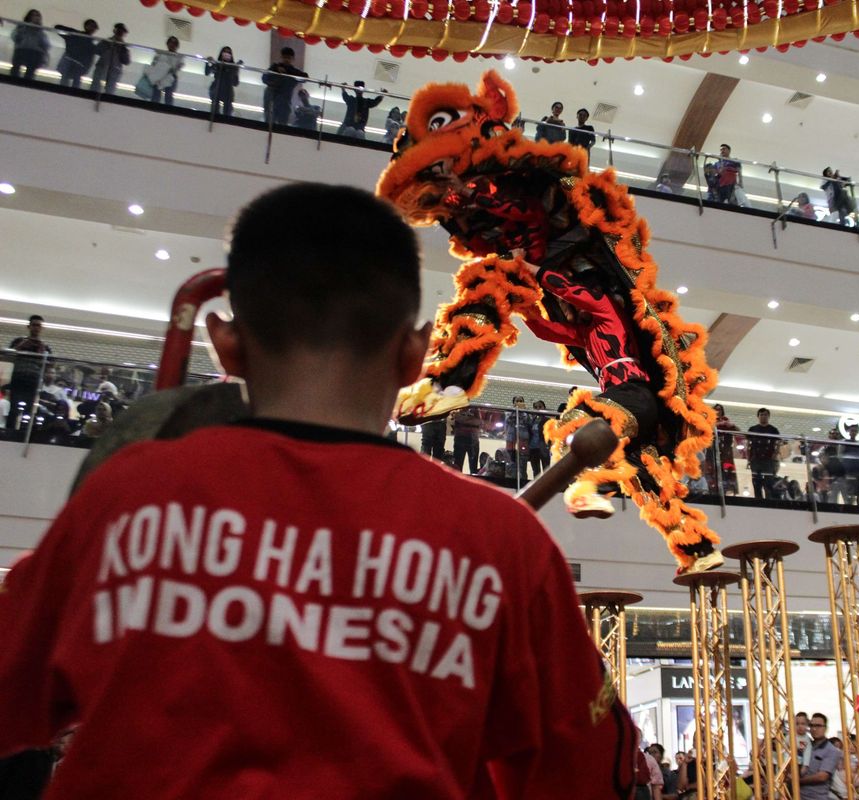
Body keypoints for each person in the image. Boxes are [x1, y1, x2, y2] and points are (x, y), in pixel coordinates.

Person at [0, 182, 638, 797]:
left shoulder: (124, 503)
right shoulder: (503, 542)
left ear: (224, 344)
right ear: (416, 355)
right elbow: (584, 773)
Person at [5, 314, 52, 431]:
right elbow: (9, 356)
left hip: (34, 380)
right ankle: (9, 432)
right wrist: (22, 346)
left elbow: (50, 366)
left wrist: (42, 354)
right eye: (34, 325)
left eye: (39, 326)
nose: (36, 328)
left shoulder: (45, 347)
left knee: (29, 409)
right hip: (18, 378)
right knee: (14, 407)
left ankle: (23, 433)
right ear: (29, 327)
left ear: (42, 328)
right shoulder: (18, 341)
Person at [799, 713, 841, 800]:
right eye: (812, 725)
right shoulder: (806, 745)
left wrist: (798, 781)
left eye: (818, 726)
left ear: (825, 728)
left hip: (816, 797)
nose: (814, 729)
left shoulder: (831, 750)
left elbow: (822, 776)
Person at [262, 47, 307, 127]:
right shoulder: (274, 67)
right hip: (271, 100)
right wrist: (276, 71)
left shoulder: (294, 72)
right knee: (268, 124)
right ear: (281, 57)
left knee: (282, 126)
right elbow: (264, 78)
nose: (286, 60)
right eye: (284, 57)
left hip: (284, 104)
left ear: (293, 59)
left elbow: (305, 78)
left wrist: (288, 72)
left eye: (288, 58)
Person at [54, 18, 100, 89]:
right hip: (72, 62)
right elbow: (57, 28)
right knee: (69, 78)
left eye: (94, 27)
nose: (93, 29)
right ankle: (65, 90)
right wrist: (73, 32)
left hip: (77, 64)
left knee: (73, 78)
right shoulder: (78, 36)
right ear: (86, 26)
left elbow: (91, 57)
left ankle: (67, 90)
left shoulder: (89, 42)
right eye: (92, 26)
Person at [747, 407, 781, 501]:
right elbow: (748, 444)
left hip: (768, 460)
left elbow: (778, 443)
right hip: (756, 459)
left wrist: (775, 455)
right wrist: (748, 458)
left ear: (768, 416)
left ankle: (769, 502)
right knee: (756, 482)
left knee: (768, 482)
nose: (763, 416)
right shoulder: (752, 429)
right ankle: (758, 501)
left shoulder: (773, 430)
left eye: (765, 414)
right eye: (761, 414)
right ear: (758, 416)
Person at [90, 22, 130, 96]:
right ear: (115, 31)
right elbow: (97, 50)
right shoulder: (107, 41)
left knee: (109, 92)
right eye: (119, 31)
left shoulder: (123, 47)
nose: (120, 33)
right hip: (103, 67)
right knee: (95, 88)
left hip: (114, 70)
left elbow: (126, 61)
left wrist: (122, 48)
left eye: (122, 32)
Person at [142, 36, 184, 106]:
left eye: (174, 44)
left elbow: (179, 66)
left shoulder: (179, 56)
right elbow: (154, 63)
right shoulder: (161, 53)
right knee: (156, 93)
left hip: (171, 77)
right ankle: (153, 108)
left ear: (177, 46)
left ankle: (168, 110)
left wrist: (172, 70)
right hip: (159, 76)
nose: (172, 45)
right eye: (170, 43)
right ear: (167, 44)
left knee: (168, 95)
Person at [10, 10, 50, 81]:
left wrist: (38, 30)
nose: (36, 17)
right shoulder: (22, 27)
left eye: (37, 16)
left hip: (35, 53)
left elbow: (46, 45)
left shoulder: (40, 31)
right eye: (34, 15)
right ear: (29, 17)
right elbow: (15, 37)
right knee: (15, 70)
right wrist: (25, 27)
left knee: (30, 73)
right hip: (22, 51)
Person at [205, 46, 240, 117]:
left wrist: (236, 70)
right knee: (215, 112)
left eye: (228, 53)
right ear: (221, 53)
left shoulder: (233, 66)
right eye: (225, 52)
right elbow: (207, 72)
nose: (226, 54)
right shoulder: (217, 64)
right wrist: (208, 63)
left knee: (227, 114)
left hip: (228, 92)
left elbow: (235, 83)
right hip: (217, 90)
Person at [449, 406, 483, 474]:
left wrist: (464, 421)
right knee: (457, 465)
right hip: (460, 439)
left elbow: (478, 422)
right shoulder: (458, 408)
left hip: (473, 439)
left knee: (473, 466)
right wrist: (471, 421)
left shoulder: (475, 410)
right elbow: (456, 418)